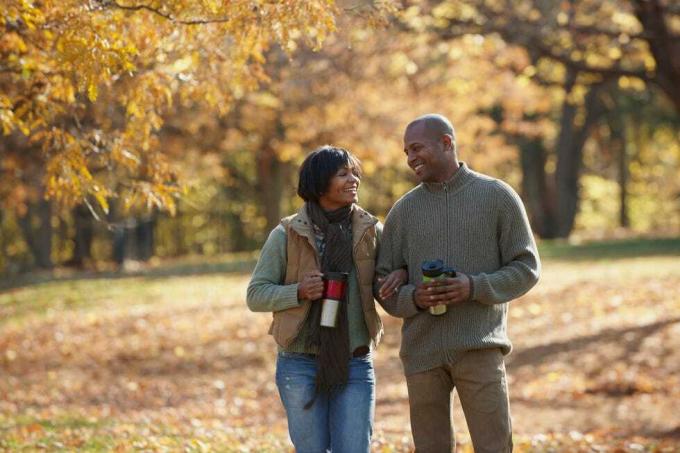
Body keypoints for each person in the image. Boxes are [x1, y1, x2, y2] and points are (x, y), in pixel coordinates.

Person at [375, 114, 541, 453]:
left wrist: (474, 287)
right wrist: (414, 298)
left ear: (447, 143)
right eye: (406, 151)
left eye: (417, 148)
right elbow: (383, 284)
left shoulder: (497, 196)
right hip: (422, 353)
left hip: (479, 345)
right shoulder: (402, 212)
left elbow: (526, 267)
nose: (410, 159)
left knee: (494, 446)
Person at [247, 145, 406, 453]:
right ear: (320, 183)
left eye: (354, 173)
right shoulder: (287, 234)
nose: (353, 180)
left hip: (355, 361)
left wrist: (398, 275)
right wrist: (298, 291)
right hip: (299, 362)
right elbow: (256, 295)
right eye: (343, 173)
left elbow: (391, 273)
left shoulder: (370, 231)